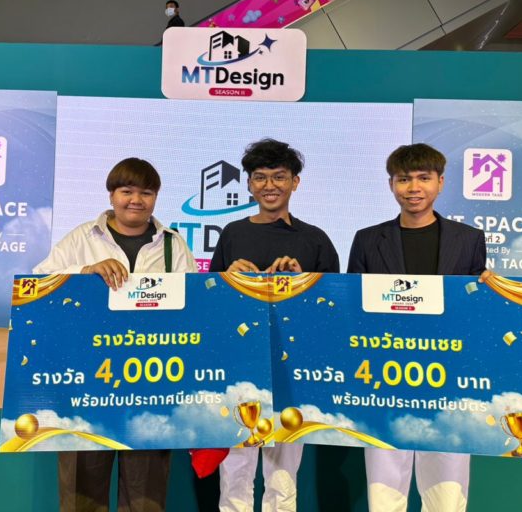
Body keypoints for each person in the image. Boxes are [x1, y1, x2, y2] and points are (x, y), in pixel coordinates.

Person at [34, 157, 197, 512]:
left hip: (152, 383)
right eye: (127, 191)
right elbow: (39, 288)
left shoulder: (174, 245)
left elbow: (194, 311)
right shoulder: (82, 238)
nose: (136, 200)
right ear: (111, 195)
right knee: (81, 493)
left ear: (156, 198)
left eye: (146, 193)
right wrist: (85, 270)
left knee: (145, 496)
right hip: (87, 382)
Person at [347, 143, 487, 512]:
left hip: (449, 376)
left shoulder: (469, 239)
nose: (413, 188)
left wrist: (491, 293)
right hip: (383, 375)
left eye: (423, 178)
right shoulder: (367, 239)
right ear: (391, 184)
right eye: (403, 179)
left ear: (441, 182)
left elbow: (474, 310)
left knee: (447, 490)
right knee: (384, 490)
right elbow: (352, 308)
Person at [210, 138, 339, 512]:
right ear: (249, 184)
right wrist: (228, 278)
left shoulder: (315, 239)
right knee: (235, 474)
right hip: (239, 367)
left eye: (279, 176)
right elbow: (211, 304)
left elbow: (332, 310)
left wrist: (303, 282)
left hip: (292, 370)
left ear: (295, 182)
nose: (270, 185)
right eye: (260, 177)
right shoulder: (232, 233)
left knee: (283, 478)